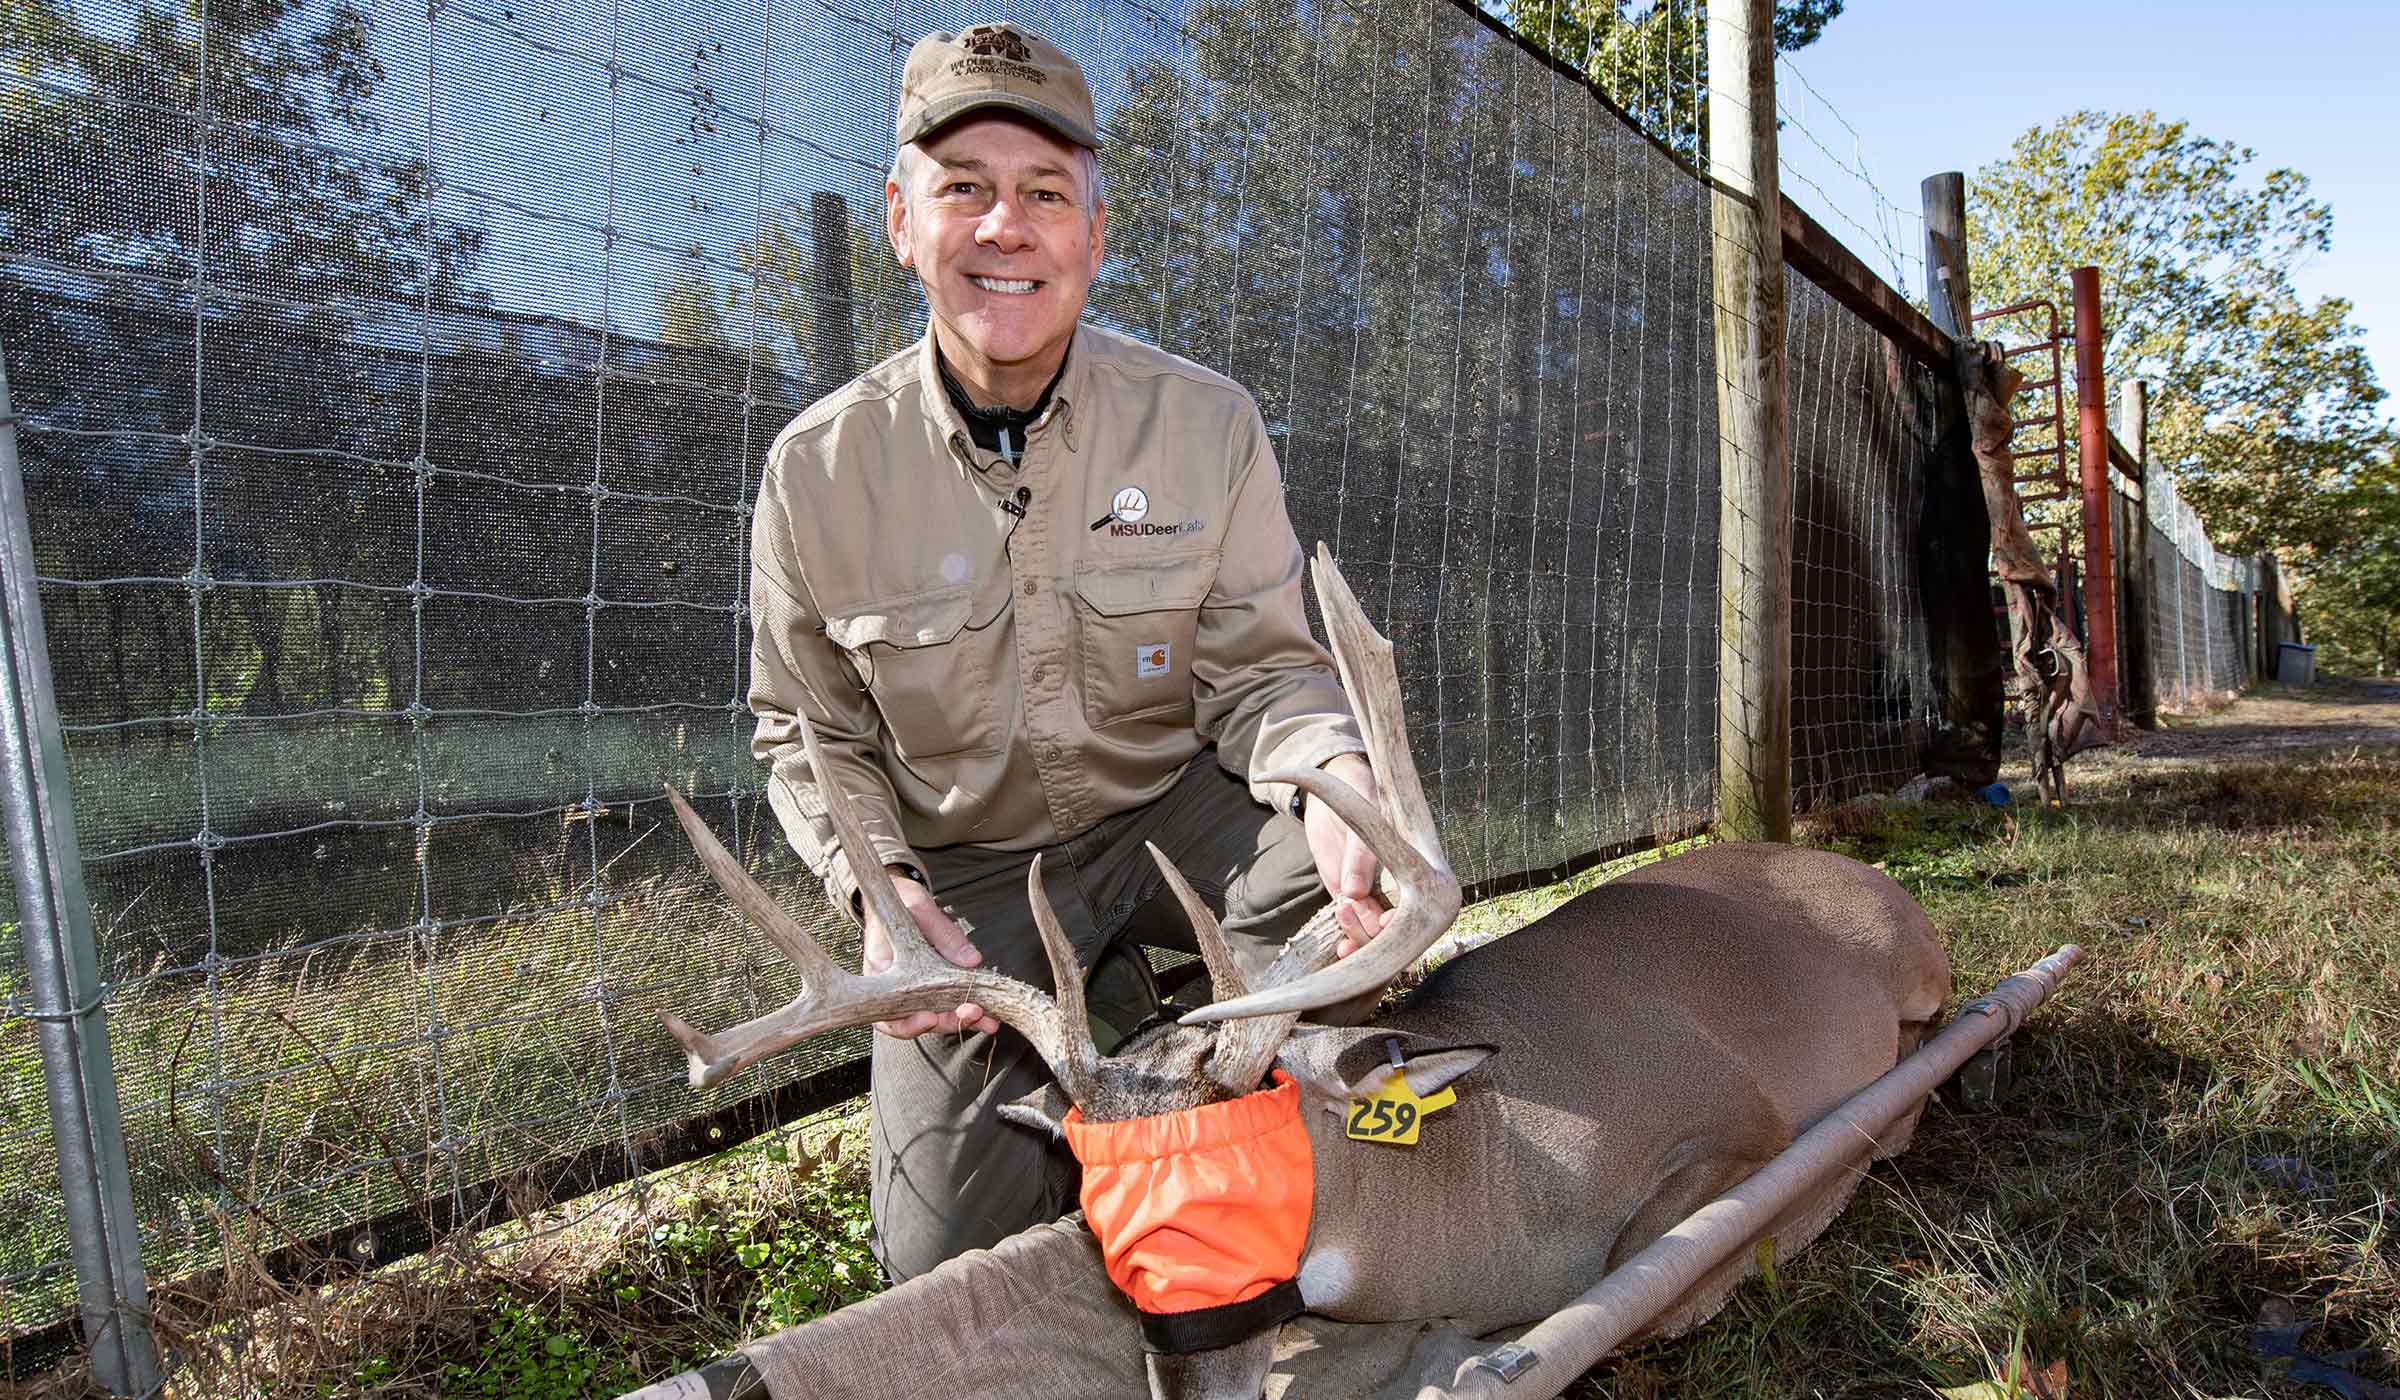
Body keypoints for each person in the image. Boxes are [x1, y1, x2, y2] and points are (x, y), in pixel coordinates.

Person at [747, 22, 1389, 1284]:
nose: (1006, 227)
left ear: (1095, 232)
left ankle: (1288, 1169)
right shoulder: (816, 473)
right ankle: (1111, 1039)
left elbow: (1267, 670)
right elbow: (805, 730)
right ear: (901, 219)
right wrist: (886, 893)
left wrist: (1333, 786)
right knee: (941, 1267)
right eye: (964, 189)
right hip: (969, 875)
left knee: (1355, 913)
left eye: (1046, 193)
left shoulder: (1204, 425)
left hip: (1170, 816)